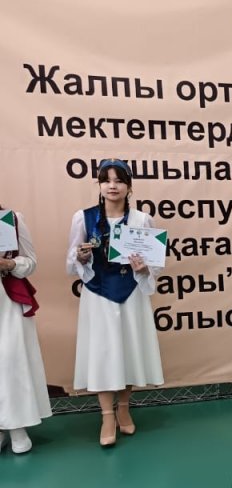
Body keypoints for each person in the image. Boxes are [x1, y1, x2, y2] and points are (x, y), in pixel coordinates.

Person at [67, 158, 164, 446]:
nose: (113, 186)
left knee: (128, 349)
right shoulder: (83, 218)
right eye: (106, 180)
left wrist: (143, 269)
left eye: (119, 180)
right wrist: (81, 257)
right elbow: (71, 259)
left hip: (130, 292)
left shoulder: (142, 220)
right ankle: (106, 415)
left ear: (129, 187)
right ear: (99, 184)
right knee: (103, 352)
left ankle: (123, 408)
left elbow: (155, 263)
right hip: (98, 294)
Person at [0, 205, 52, 453]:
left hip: (7, 300)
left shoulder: (12, 219)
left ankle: (17, 427)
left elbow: (31, 262)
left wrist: (9, 263)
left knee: (11, 361)